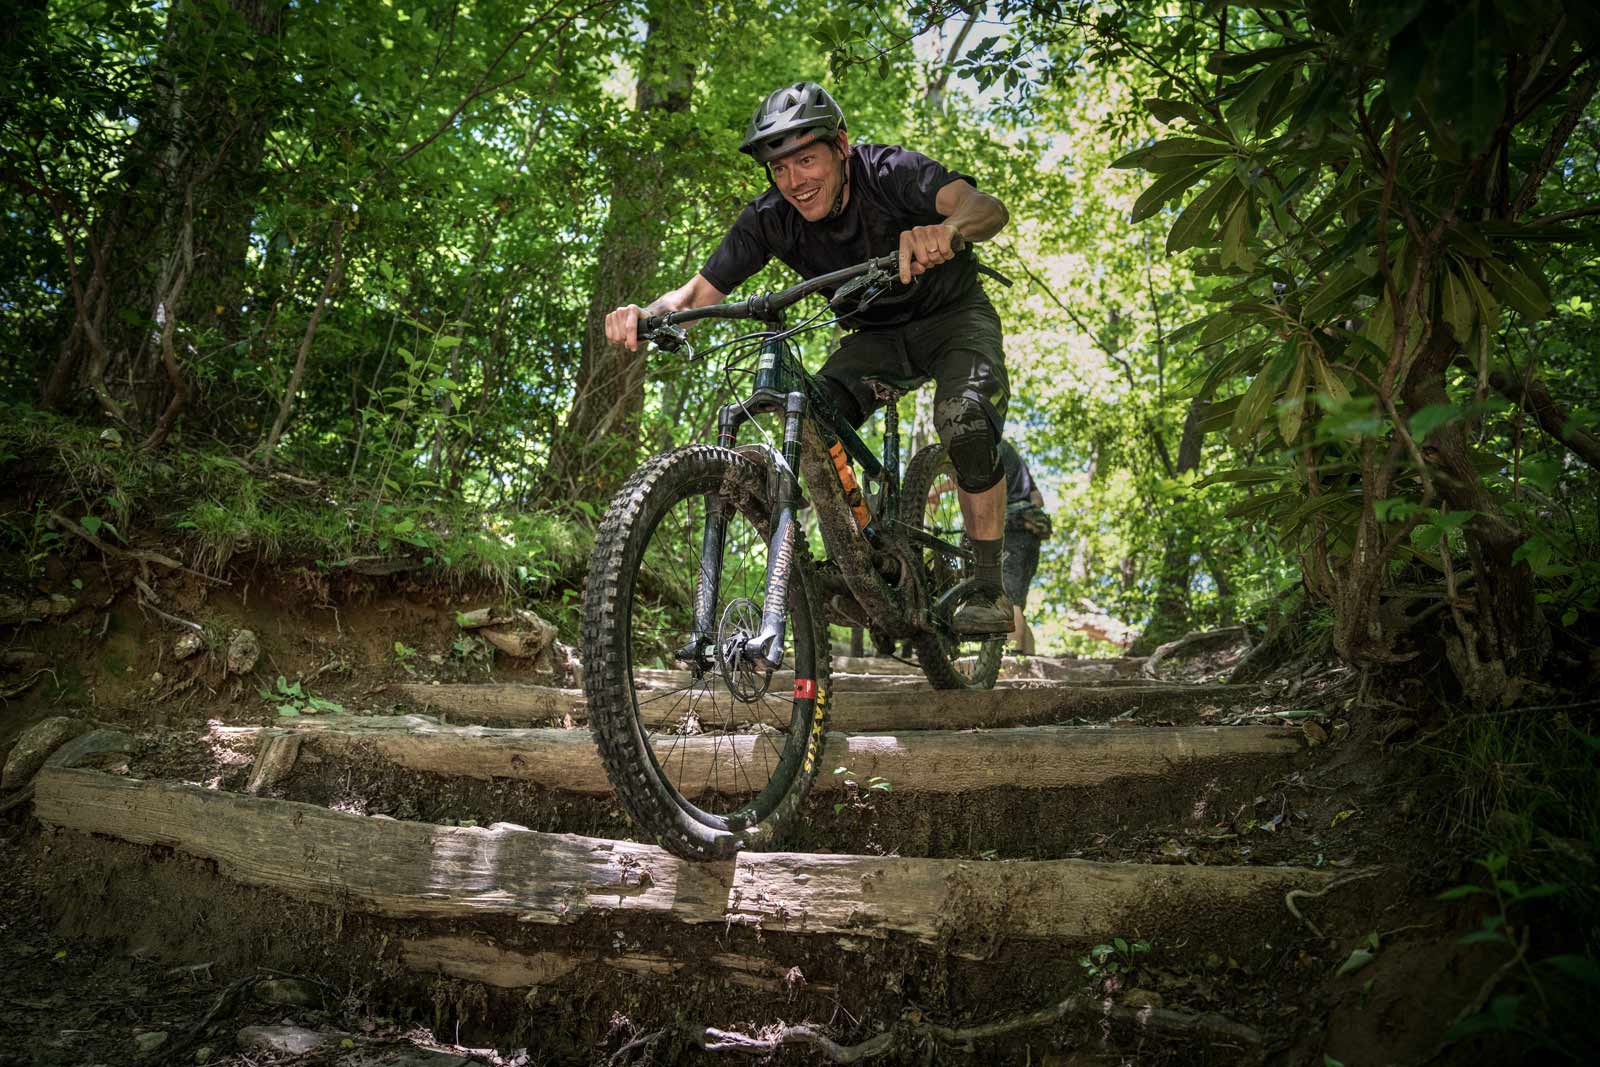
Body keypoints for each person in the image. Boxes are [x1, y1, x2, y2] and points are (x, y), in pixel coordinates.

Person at [603, 81, 1015, 634]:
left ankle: (988, 584)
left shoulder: (888, 171)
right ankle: (853, 562)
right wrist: (645, 315)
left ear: (841, 147)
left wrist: (949, 229)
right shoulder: (771, 218)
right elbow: (697, 295)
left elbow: (984, 206)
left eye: (806, 159)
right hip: (873, 337)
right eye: (780, 168)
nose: (795, 181)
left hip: (954, 318)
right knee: (812, 419)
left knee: (964, 421)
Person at [999, 439, 1052, 654]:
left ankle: (1013, 659)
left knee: (1009, 599)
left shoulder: (989, 444)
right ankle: (1029, 660)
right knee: (1018, 600)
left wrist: (937, 491)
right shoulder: (1016, 460)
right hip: (1031, 535)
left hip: (1013, 531)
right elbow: (1037, 500)